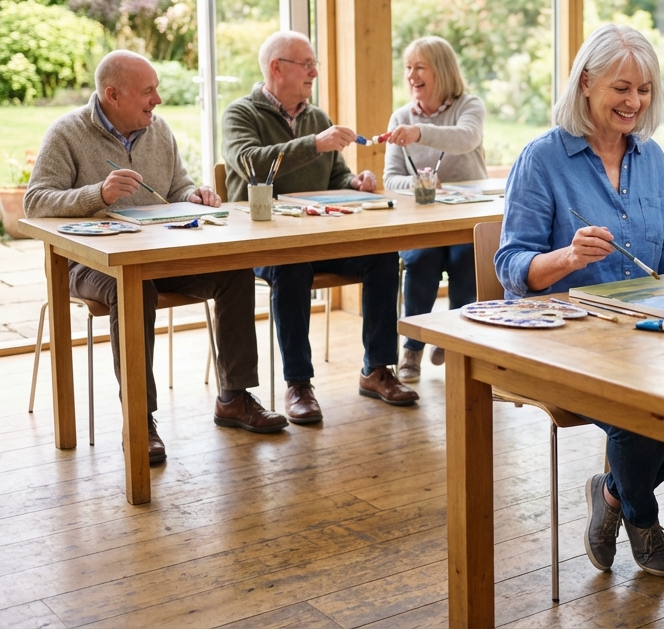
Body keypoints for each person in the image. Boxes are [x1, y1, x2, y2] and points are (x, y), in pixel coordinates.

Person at [495, 23, 664, 578]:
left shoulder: (652, 158)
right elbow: (511, 266)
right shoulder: (541, 159)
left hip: (646, 334)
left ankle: (614, 496)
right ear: (585, 86)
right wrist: (568, 258)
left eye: (644, 90)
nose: (634, 102)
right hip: (567, 338)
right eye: (621, 88)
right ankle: (644, 519)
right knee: (636, 416)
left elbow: (662, 253)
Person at [25, 51, 287, 464]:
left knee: (235, 270)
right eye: (149, 91)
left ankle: (234, 398)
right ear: (112, 94)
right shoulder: (67, 133)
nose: (158, 100)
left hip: (160, 256)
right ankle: (139, 419)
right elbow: (36, 201)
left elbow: (177, 185)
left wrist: (194, 195)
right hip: (92, 265)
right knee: (133, 286)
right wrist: (100, 194)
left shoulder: (159, 130)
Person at [222, 30, 415, 425]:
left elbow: (336, 175)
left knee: (382, 255)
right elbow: (251, 164)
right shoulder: (240, 113)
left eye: (314, 64)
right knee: (293, 267)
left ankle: (376, 370)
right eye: (306, 64)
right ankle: (299, 384)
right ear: (277, 68)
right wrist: (314, 144)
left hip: (321, 236)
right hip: (265, 241)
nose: (314, 72)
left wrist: (354, 182)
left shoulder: (316, 117)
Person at [383, 36, 487, 381]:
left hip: (465, 219)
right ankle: (413, 348)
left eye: (419, 67)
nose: (411, 75)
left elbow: (466, 138)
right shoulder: (400, 116)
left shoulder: (469, 105)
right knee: (420, 260)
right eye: (408, 68)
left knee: (464, 260)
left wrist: (417, 133)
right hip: (423, 219)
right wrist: (419, 185)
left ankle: (455, 338)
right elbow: (390, 178)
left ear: (440, 71)